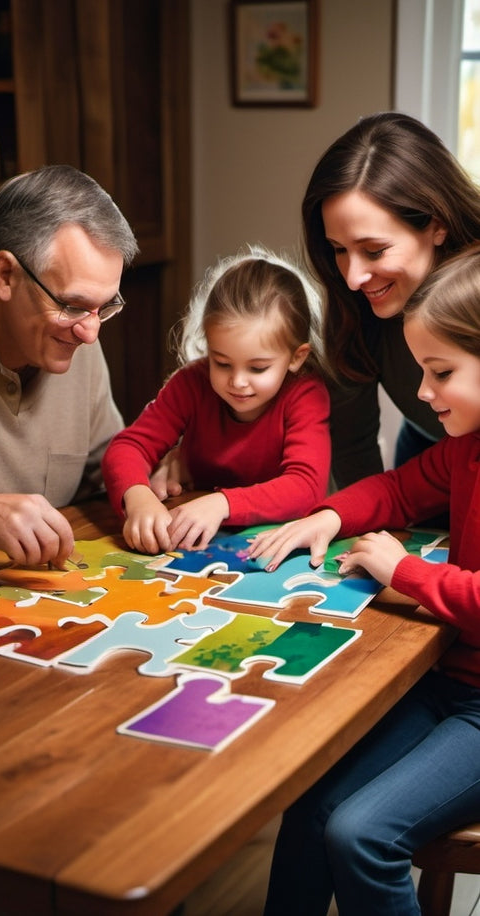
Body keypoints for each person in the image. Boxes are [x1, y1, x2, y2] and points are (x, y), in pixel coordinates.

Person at [247, 245, 480, 915]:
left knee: (359, 834)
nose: (423, 392)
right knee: (311, 803)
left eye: (440, 372)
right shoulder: (462, 449)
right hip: (445, 682)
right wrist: (326, 514)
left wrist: (401, 572)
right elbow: (397, 490)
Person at [0, 163, 139, 568]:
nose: (91, 334)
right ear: (5, 275)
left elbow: (107, 468)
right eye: (72, 305)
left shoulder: (79, 331)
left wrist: (149, 478)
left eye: (105, 308)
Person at [102, 246, 331, 555]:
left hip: (274, 546)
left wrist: (222, 503)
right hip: (194, 540)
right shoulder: (191, 383)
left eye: (258, 367)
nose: (237, 381)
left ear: (296, 357)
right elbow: (128, 447)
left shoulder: (305, 394)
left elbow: (306, 487)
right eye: (221, 363)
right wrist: (138, 496)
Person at [302, 110, 480, 488]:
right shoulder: (352, 304)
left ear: (437, 224)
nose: (352, 278)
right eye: (338, 249)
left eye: (375, 250)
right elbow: (352, 445)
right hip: (425, 463)